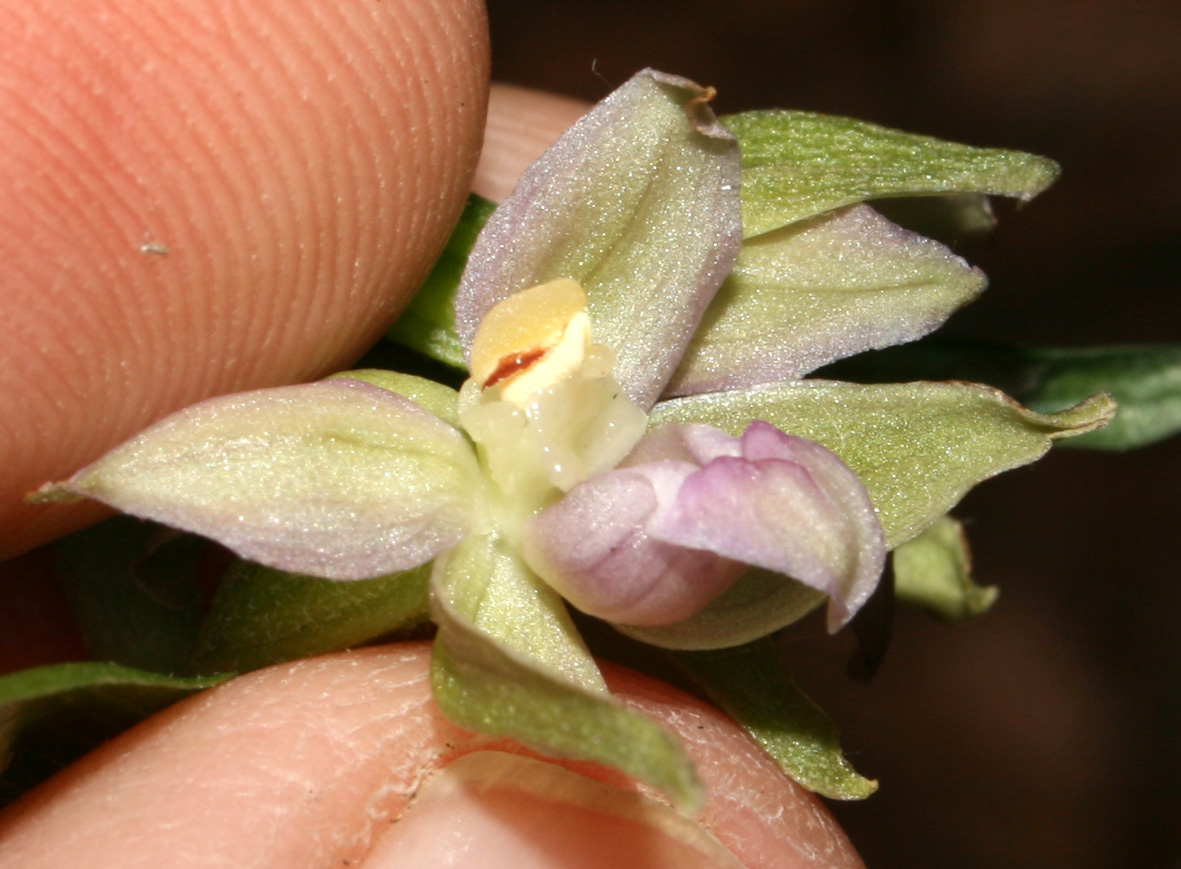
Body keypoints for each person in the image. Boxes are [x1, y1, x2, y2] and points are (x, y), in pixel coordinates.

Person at [0, 2, 862, 865]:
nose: (566, 393)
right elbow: (236, 462)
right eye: (538, 373)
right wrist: (114, 483)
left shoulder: (617, 462)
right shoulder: (416, 478)